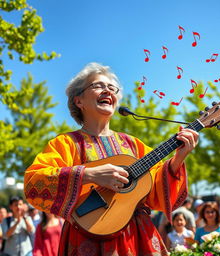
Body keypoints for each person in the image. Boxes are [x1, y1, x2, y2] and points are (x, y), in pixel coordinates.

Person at [24, 62, 199, 255]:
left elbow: (157, 193)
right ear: (78, 101)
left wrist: (177, 160)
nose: (107, 91)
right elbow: (34, 182)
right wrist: (88, 174)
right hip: (87, 238)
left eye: (112, 88)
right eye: (98, 85)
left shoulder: (133, 145)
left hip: (137, 237)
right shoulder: (66, 143)